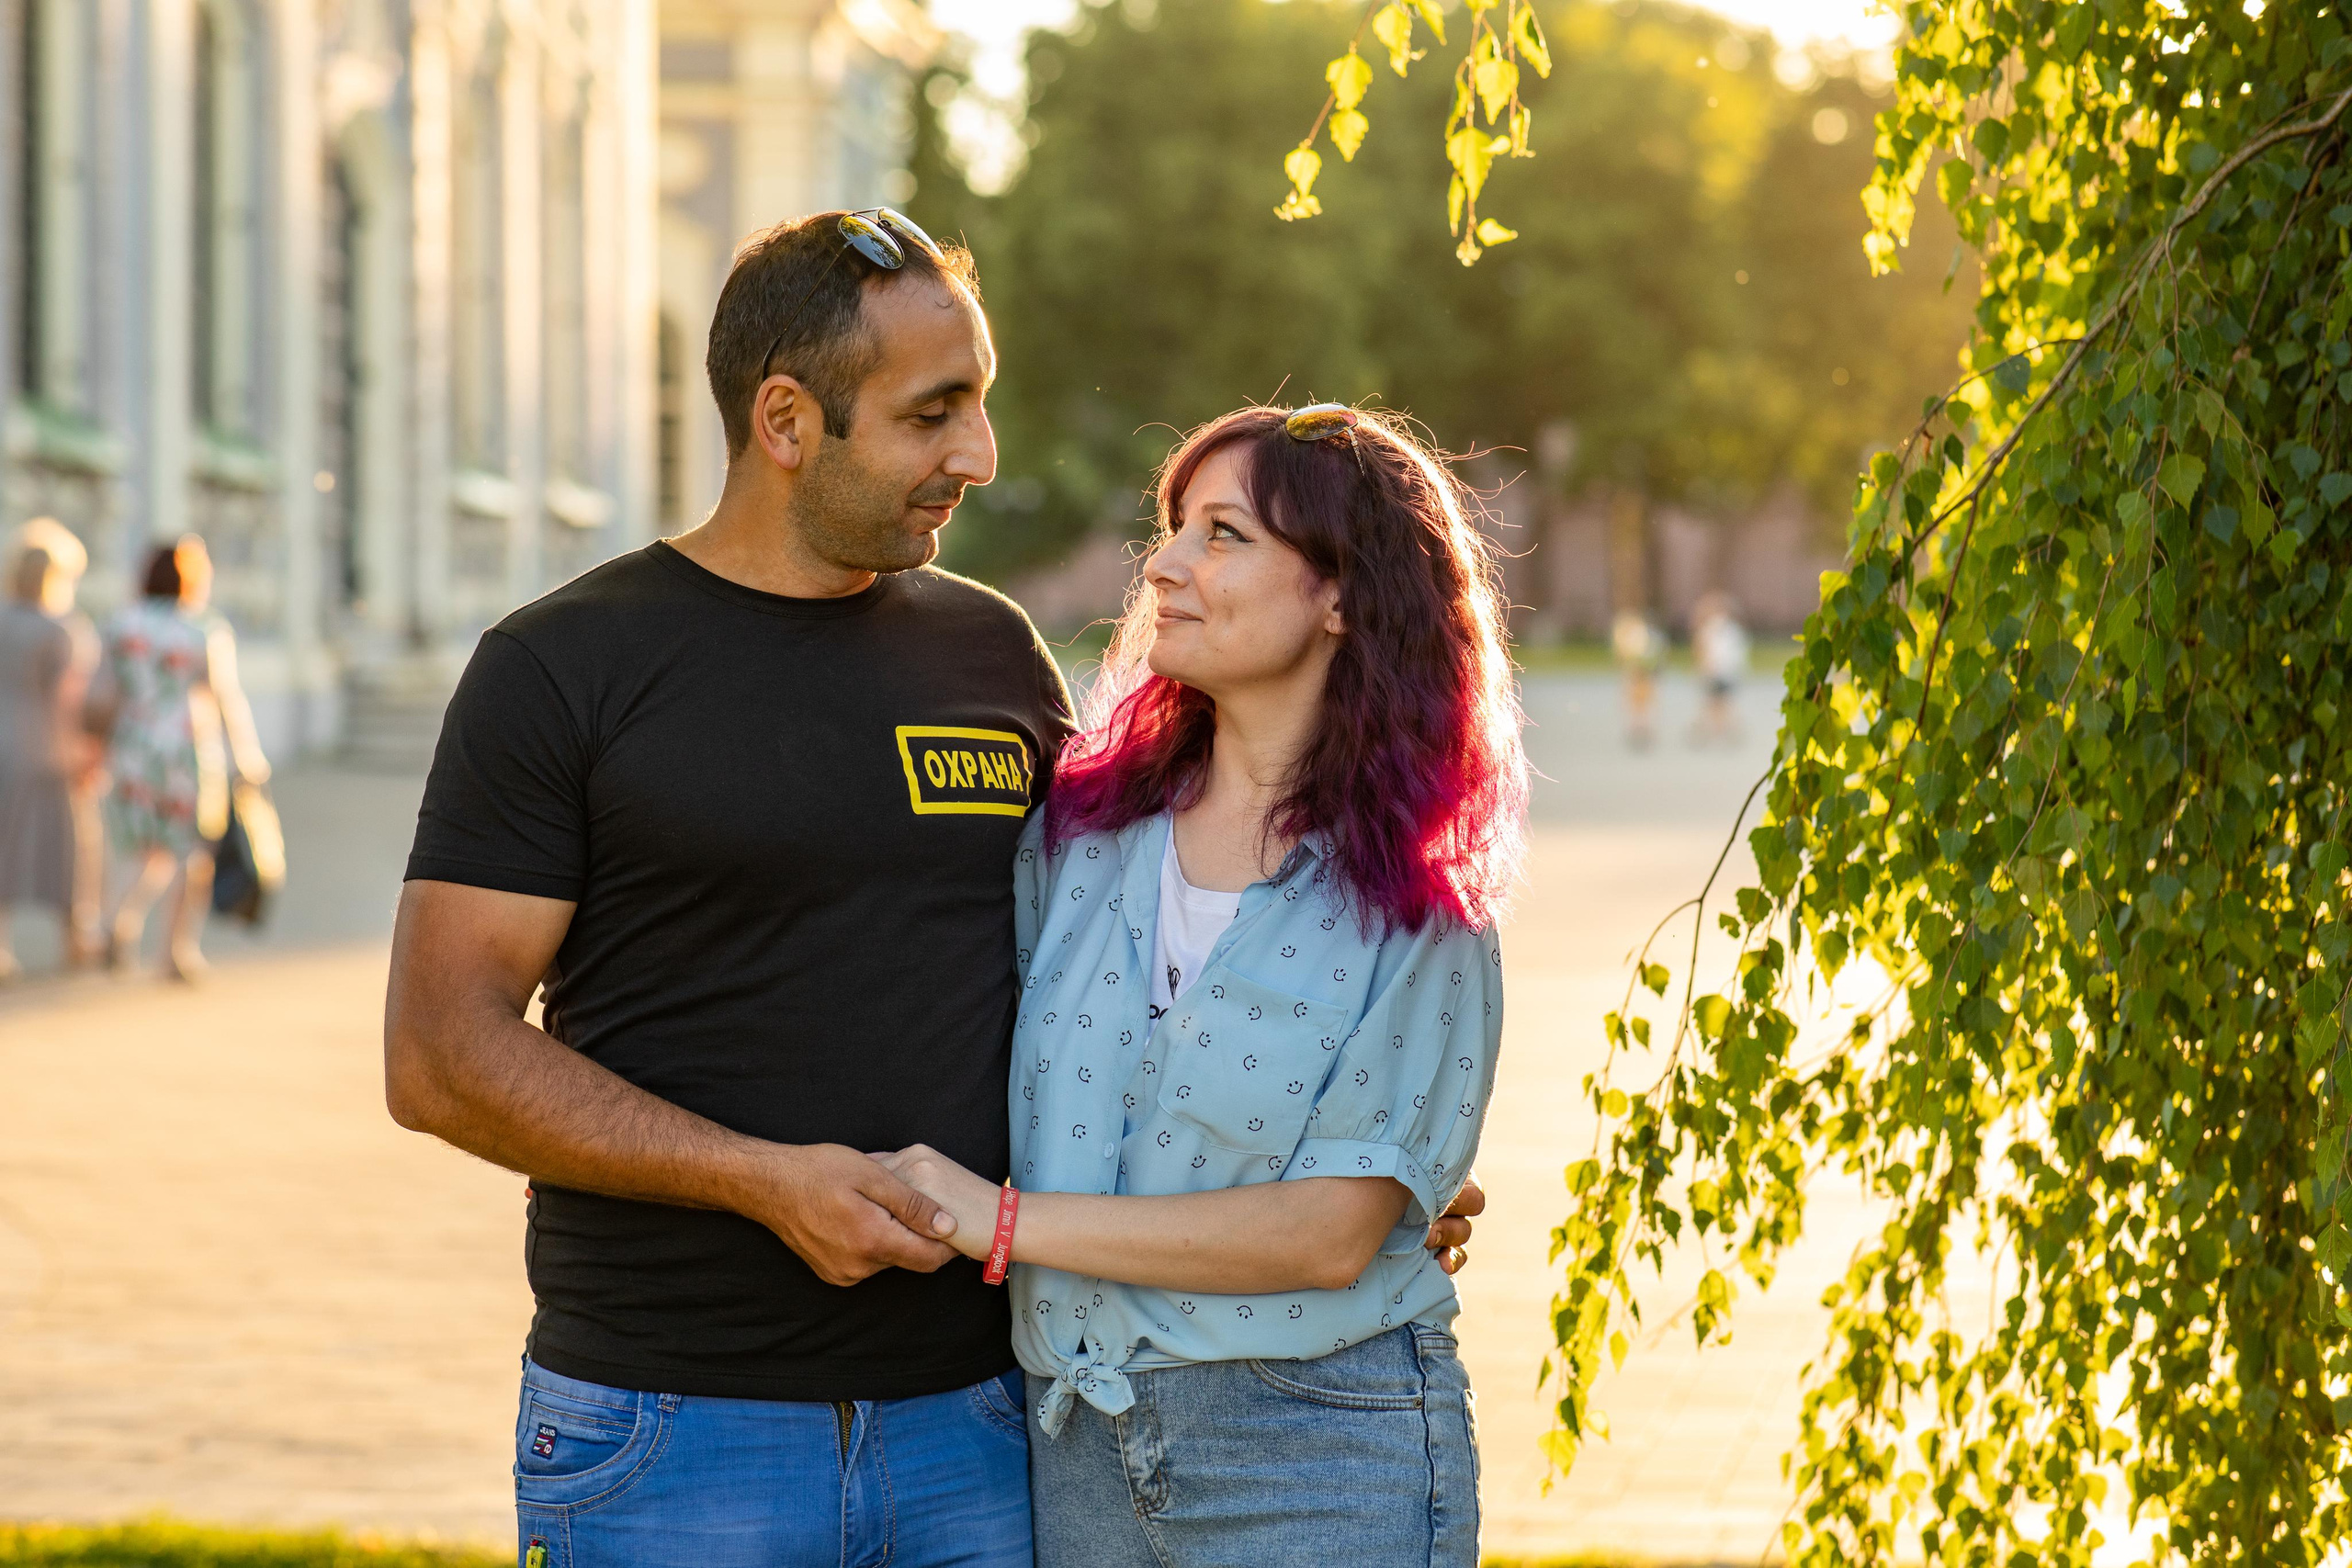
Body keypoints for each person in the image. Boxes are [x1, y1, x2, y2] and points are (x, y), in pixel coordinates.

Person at [379, 207, 1494, 1568]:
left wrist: (1360, 1174)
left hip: (986, 1428)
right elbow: (438, 1055)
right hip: (673, 1424)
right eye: (933, 413)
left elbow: (1134, 979)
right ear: (787, 421)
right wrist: (761, 1182)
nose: (979, 454)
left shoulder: (990, 657)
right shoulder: (563, 669)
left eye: (980, 402)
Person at [883, 401, 1527, 1567]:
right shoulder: (1075, 840)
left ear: (1342, 595)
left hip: (1317, 1444)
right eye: (1174, 528)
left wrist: (1003, 1222)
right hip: (1074, 1439)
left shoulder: (1422, 912)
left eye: (1223, 535)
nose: (1164, 566)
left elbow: (1329, 1236)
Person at [96, 535, 270, 981]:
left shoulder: (122, 624)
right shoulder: (202, 628)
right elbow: (225, 696)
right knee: (191, 853)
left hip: (133, 749)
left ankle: (116, 923)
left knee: (140, 848)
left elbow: (105, 694)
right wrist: (246, 755)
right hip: (187, 752)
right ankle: (174, 952)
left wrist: (97, 747)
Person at [0, 518, 103, 979]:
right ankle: (76, 937)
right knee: (69, 847)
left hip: (5, 745)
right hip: (48, 749)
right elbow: (70, 698)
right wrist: (86, 750)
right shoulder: (61, 628)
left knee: (5, 845)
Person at [1689, 591, 1749, 747]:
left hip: (1720, 670)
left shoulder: (1715, 629)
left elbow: (1702, 650)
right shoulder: (1728, 629)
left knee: (1717, 702)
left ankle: (1719, 730)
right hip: (1722, 670)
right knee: (1719, 702)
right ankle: (1719, 729)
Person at [1611, 604, 1661, 750]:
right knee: (1635, 703)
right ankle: (1637, 729)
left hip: (1644, 673)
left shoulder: (1645, 636)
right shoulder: (1633, 635)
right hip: (1636, 673)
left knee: (1643, 703)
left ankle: (1642, 729)